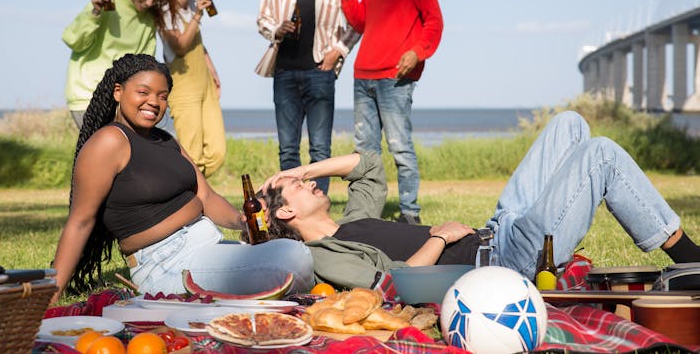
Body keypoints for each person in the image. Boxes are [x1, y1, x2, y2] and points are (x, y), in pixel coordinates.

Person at [259, 111, 700, 290]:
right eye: (300, 188)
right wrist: (437, 237)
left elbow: (369, 165)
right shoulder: (324, 255)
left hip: (502, 228)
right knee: (599, 154)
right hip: (507, 262)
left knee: (569, 123)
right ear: (286, 211)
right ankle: (689, 259)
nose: (313, 185)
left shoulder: (351, 219)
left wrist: (304, 169)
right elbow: (391, 283)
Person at [50, 54, 313, 304]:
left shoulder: (165, 141)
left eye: (162, 96)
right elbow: (80, 222)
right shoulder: (109, 142)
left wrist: (240, 220)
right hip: (165, 263)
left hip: (208, 247)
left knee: (291, 250)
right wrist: (50, 295)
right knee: (292, 257)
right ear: (118, 92)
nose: (154, 102)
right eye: (143, 92)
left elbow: (206, 196)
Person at [340, 0, 444, 224]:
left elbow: (434, 22)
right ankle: (364, 215)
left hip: (395, 77)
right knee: (364, 152)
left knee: (400, 148)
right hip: (363, 75)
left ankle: (409, 213)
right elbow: (361, 23)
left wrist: (418, 51)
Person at [256, 0, 360, 194]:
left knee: (320, 149)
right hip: (285, 72)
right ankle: (289, 204)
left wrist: (338, 51)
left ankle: (317, 203)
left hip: (320, 72)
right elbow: (262, 20)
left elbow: (356, 22)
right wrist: (277, 29)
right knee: (288, 148)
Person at [62, 0, 178, 129]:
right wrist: (95, 11)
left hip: (123, 98)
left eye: (155, 0)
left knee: (126, 153)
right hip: (89, 94)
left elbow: (144, 64)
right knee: (103, 151)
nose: (149, 3)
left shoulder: (149, 18)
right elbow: (73, 40)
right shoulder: (107, 3)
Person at [160, 0, 226, 177]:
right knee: (193, 152)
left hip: (204, 82)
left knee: (217, 152)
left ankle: (188, 189)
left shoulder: (189, 7)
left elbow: (198, 44)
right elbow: (179, 47)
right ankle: (191, 198)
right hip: (183, 84)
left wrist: (213, 72)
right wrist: (198, 14)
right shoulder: (165, 11)